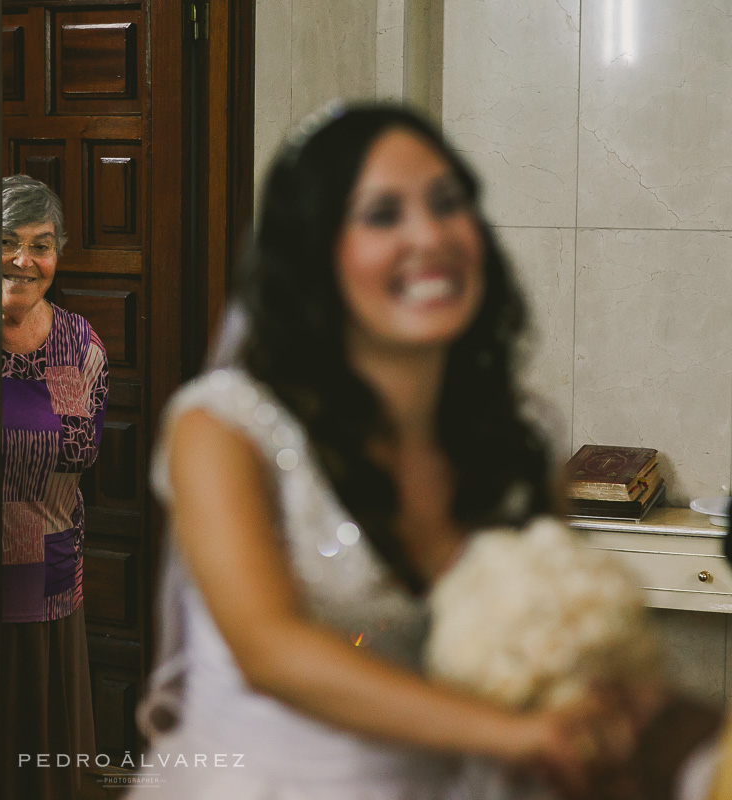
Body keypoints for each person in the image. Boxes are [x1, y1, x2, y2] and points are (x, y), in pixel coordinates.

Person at [126, 104, 641, 799]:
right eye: (381, 215)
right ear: (315, 251)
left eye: (447, 203)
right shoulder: (224, 429)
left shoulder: (518, 435)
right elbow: (269, 650)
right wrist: (514, 734)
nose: (428, 235)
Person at [0, 175, 108, 800]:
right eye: (8, 242)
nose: (24, 260)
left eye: (41, 245)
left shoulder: (78, 344)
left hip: (49, 576)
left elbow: (80, 449)